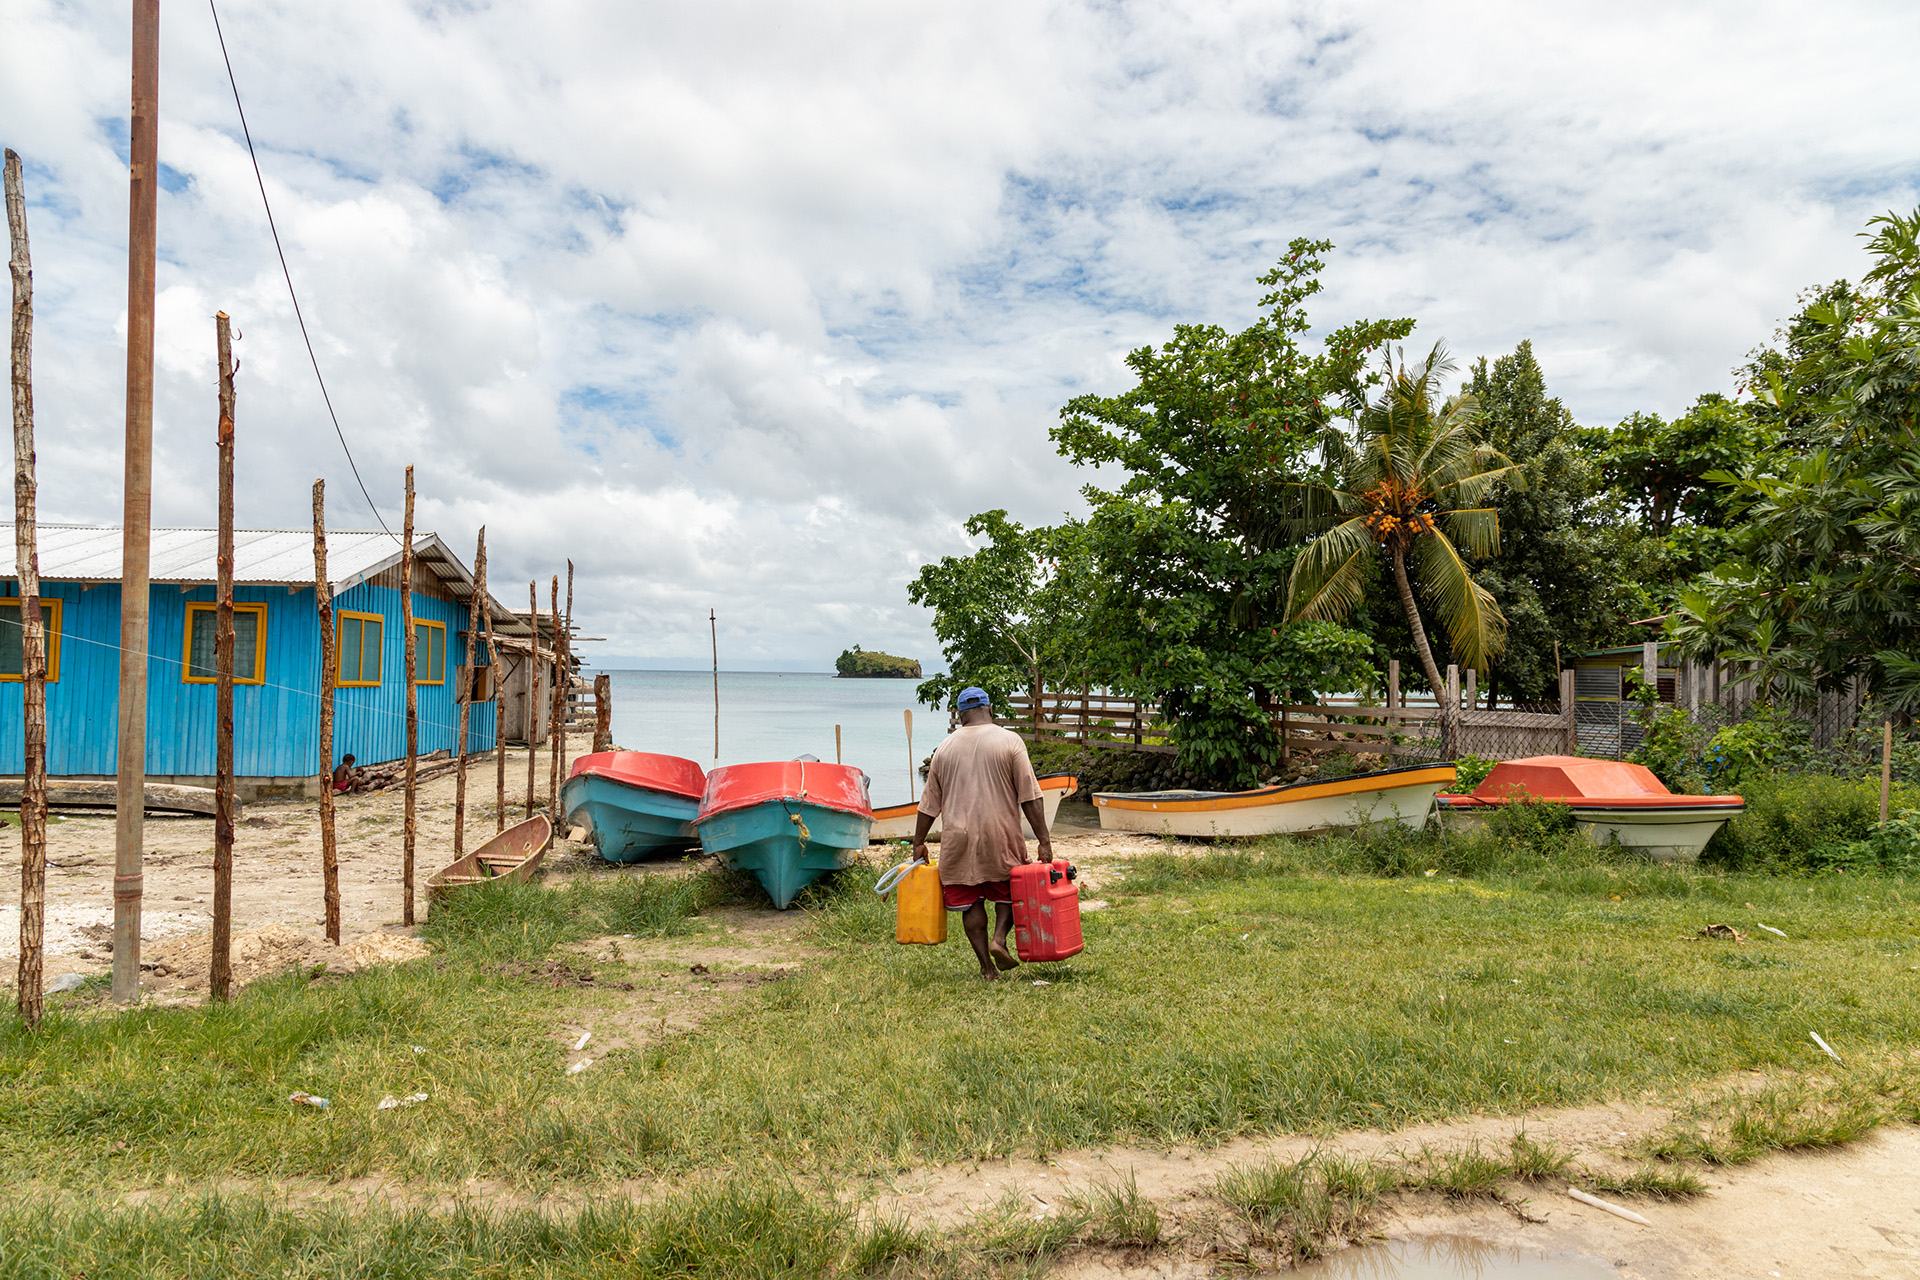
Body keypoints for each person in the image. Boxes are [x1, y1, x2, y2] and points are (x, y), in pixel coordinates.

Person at [911, 686, 1051, 979]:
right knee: (1008, 892)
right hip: (1000, 833)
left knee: (969, 900)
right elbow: (1030, 797)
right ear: (990, 709)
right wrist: (1043, 841)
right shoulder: (1010, 741)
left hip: (958, 837)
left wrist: (919, 841)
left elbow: (928, 805)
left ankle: (987, 968)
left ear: (961, 715)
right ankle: (999, 939)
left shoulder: (944, 749)